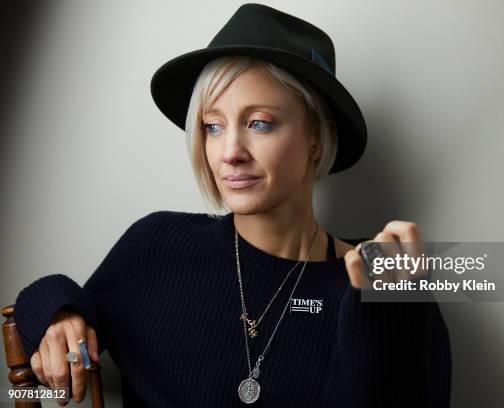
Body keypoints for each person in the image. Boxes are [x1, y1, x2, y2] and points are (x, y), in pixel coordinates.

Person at [13, 3, 451, 407]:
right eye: (213, 126)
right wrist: (60, 312)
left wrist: (385, 310)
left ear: (317, 137)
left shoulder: (388, 280)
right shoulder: (159, 246)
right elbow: (61, 301)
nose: (230, 152)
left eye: (259, 123)